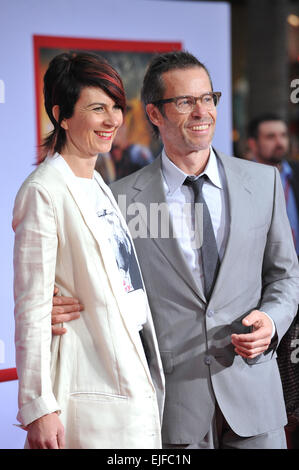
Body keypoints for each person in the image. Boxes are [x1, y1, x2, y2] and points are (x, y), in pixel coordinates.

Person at [51, 51, 299, 449]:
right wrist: (57, 302)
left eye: (208, 98)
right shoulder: (117, 200)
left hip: (255, 399)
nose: (202, 112)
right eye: (185, 101)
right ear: (154, 113)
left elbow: (285, 275)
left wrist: (271, 320)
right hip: (171, 408)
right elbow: (98, 285)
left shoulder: (262, 182)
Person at [12, 52, 164, 449]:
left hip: (132, 371)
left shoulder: (98, 183)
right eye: (98, 108)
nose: (113, 119)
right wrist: (38, 408)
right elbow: (31, 309)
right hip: (88, 387)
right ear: (62, 115)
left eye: (116, 106)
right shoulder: (43, 191)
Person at [247, 114, 299, 447]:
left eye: (282, 135)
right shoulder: (244, 182)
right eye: (270, 136)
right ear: (252, 143)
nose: (279, 141)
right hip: (264, 298)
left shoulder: (296, 176)